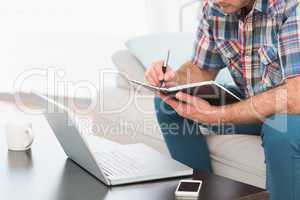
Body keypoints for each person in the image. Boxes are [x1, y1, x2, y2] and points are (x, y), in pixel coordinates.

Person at [145, 0, 300, 199]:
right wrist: (172, 80)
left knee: (279, 131)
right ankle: (199, 193)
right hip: (256, 100)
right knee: (171, 102)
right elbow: (202, 68)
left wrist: (217, 115)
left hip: (294, 108)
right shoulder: (215, 6)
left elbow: (295, 96)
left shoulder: (290, 6)